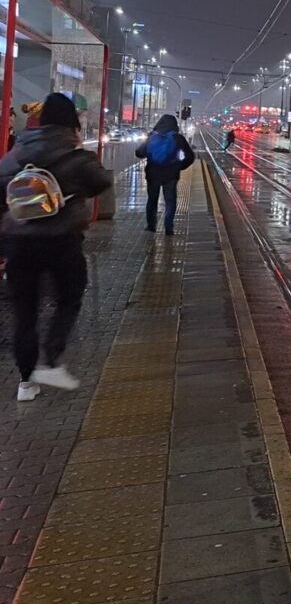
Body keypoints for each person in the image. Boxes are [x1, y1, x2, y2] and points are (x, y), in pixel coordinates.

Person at [0, 93, 113, 400]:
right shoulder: (75, 156)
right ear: (72, 123)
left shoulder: (17, 151)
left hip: (18, 243)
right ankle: (50, 358)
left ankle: (25, 383)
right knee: (70, 297)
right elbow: (101, 182)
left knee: (25, 314)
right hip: (61, 242)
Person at [136, 114, 195, 235]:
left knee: (152, 200)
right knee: (170, 201)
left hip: (153, 174)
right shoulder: (178, 138)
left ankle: (151, 226)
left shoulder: (152, 136)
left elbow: (139, 153)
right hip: (171, 175)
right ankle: (168, 227)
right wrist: (179, 166)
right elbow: (190, 157)